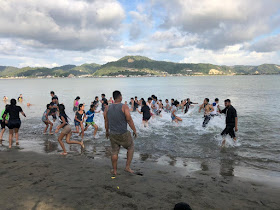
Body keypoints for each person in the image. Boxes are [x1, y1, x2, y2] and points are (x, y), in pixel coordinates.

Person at [104, 90, 137, 176]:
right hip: (123, 133)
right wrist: (134, 130)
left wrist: (107, 131)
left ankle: (114, 171)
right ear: (120, 97)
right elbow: (129, 119)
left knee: (114, 151)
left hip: (113, 134)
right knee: (130, 147)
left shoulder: (107, 108)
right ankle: (127, 167)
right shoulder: (124, 106)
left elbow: (106, 121)